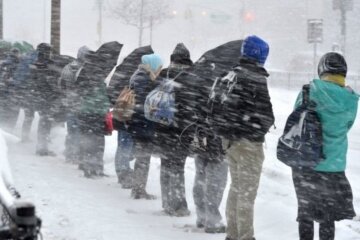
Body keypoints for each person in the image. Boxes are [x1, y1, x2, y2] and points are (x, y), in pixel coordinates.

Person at [291, 52, 358, 240]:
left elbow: (296, 120)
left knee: (306, 213)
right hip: (333, 165)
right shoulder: (351, 99)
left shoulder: (309, 90)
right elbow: (347, 126)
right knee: (327, 217)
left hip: (306, 163)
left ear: (322, 69)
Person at [221, 36, 274, 240]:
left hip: (230, 141)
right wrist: (259, 128)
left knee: (235, 188)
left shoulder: (232, 74)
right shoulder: (255, 77)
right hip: (248, 143)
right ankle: (246, 236)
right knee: (247, 193)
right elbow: (266, 114)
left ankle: (232, 234)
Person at [154, 43, 192, 216]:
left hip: (163, 126)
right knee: (177, 166)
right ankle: (178, 205)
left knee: (166, 164)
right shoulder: (191, 76)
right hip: (181, 129)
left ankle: (167, 203)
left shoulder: (163, 74)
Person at [128, 53, 162, 199]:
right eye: (158, 66)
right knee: (143, 157)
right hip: (142, 123)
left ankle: (138, 188)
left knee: (142, 157)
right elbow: (144, 103)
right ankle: (138, 189)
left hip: (138, 122)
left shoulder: (139, 75)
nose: (159, 69)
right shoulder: (143, 78)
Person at [59, 46, 91, 163]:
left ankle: (69, 152)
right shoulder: (83, 69)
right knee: (78, 130)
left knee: (71, 129)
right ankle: (75, 154)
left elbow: (61, 84)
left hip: (69, 102)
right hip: (80, 103)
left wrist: (67, 94)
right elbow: (85, 87)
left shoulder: (67, 67)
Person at [28, 43, 59, 156]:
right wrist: (56, 89)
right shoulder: (46, 65)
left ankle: (42, 146)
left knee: (44, 121)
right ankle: (42, 147)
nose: (50, 53)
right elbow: (48, 82)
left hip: (40, 97)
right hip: (47, 98)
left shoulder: (36, 64)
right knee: (46, 122)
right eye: (49, 51)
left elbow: (34, 81)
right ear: (45, 52)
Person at [0, 48, 21, 131]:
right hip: (13, 93)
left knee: (2, 111)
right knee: (13, 113)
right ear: (17, 54)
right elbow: (18, 79)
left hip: (2, 93)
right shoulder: (18, 64)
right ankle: (9, 129)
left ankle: (3, 130)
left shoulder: (3, 64)